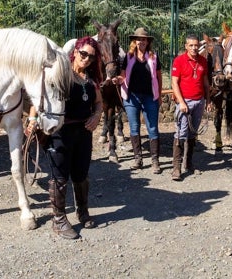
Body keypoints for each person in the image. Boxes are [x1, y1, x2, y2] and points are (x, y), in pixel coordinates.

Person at [26, 36, 103, 239]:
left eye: (91, 57)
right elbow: (39, 96)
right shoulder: (60, 73)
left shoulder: (90, 80)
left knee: (81, 175)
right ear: (75, 52)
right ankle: (59, 219)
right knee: (59, 177)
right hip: (60, 132)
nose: (86, 59)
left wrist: (96, 116)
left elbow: (98, 103)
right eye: (83, 54)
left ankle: (82, 212)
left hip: (83, 133)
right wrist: (32, 118)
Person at [112, 27, 163, 174]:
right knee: (134, 128)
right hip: (132, 97)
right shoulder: (127, 57)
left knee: (152, 128)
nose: (141, 41)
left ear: (148, 42)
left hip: (150, 97)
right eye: (139, 39)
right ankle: (138, 159)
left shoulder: (153, 57)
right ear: (135, 41)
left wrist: (158, 95)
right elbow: (123, 76)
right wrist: (117, 79)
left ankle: (155, 161)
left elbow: (159, 77)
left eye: (144, 39)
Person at [170, 34, 213, 181]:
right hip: (185, 103)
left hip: (199, 102)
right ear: (186, 46)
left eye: (196, 45)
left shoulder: (203, 61)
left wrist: (208, 101)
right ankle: (176, 167)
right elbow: (174, 83)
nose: (194, 48)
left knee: (193, 134)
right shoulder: (179, 60)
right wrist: (181, 102)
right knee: (181, 133)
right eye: (191, 45)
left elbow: (206, 82)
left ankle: (188, 163)